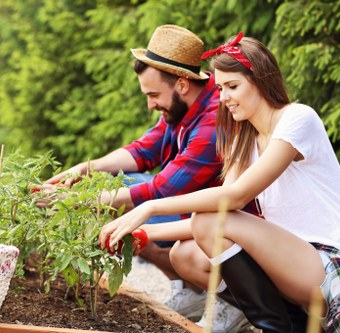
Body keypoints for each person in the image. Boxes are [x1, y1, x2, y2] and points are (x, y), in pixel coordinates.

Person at [99, 32, 340, 333]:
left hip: (332, 260)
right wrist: (141, 233)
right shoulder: (242, 140)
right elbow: (214, 216)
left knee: (209, 221)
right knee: (184, 255)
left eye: (233, 86)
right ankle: (292, 325)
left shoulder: (297, 119)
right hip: (293, 262)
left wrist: (149, 208)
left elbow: (233, 198)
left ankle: (276, 328)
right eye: (220, 88)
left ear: (261, 80)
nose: (224, 98)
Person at [36, 25, 250, 331]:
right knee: (116, 191)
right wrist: (83, 170)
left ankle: (234, 301)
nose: (150, 104)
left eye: (153, 94)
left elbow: (163, 189)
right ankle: (191, 291)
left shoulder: (214, 120)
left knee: (123, 208)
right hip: (199, 216)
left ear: (181, 85)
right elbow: (141, 152)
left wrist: (84, 201)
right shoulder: (180, 111)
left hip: (229, 224)